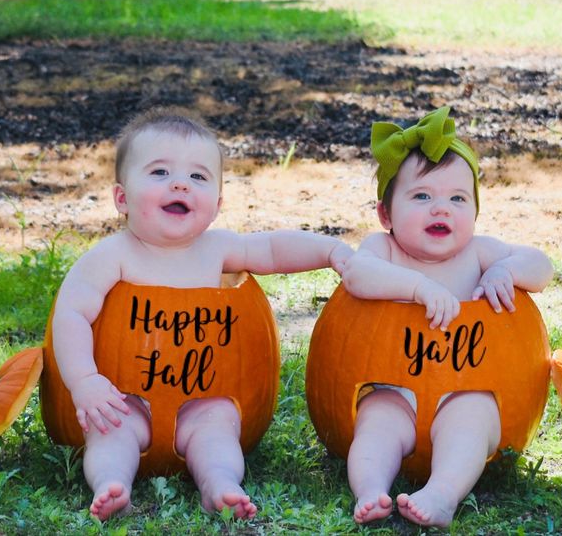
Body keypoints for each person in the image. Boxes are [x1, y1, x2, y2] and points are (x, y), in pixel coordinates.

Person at [51, 107, 352, 521]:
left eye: (198, 177)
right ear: (122, 198)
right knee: (109, 435)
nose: (180, 183)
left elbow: (273, 250)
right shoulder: (110, 257)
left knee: (218, 429)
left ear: (217, 203)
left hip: (201, 401)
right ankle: (111, 483)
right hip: (124, 400)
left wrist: (331, 251)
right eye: (159, 173)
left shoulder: (217, 249)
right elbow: (71, 315)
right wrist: (84, 381)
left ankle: (219, 483)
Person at [339, 107, 553, 528]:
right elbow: (357, 274)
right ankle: (370, 489)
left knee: (471, 421)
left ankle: (442, 493)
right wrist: (417, 287)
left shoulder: (479, 254)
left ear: (474, 211)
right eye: (422, 196)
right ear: (386, 214)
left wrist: (505, 270)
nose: (442, 209)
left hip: (465, 391)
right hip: (394, 390)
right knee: (375, 423)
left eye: (458, 198)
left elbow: (542, 265)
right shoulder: (384, 251)